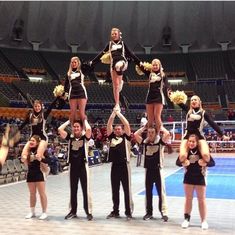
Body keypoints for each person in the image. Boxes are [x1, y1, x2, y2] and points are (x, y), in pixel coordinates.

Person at [89, 27, 141, 111]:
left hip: (122, 62)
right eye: (112, 34)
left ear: (119, 35)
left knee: (118, 66)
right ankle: (117, 104)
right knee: (115, 86)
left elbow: (131, 54)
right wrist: (93, 61)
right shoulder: (109, 44)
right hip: (112, 65)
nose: (113, 35)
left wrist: (139, 62)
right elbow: (101, 54)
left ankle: (121, 82)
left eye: (115, 34)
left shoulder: (123, 44)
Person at [176, 134, 215, 229]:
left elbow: (212, 163)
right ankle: (186, 219)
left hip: (200, 177)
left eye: (193, 141)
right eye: (189, 141)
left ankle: (203, 221)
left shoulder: (202, 152)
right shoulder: (185, 152)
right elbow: (177, 162)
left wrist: (205, 163)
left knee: (201, 200)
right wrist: (182, 163)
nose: (191, 143)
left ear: (197, 142)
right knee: (188, 199)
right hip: (188, 178)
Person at [177, 95, 229, 164]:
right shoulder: (188, 110)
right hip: (187, 136)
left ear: (199, 102)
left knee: (206, 156)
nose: (193, 101)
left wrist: (222, 135)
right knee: (182, 156)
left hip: (199, 136)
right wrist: (171, 94)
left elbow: (212, 124)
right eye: (192, 100)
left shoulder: (204, 113)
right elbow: (178, 101)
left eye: (195, 100)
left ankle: (203, 166)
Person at [58, 119, 93, 221]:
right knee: (73, 190)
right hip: (73, 167)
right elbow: (60, 129)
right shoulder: (70, 138)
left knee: (85, 190)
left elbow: (89, 129)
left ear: (81, 128)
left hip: (83, 166)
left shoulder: (84, 137)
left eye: (78, 127)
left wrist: (85, 120)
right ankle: (73, 211)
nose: (76, 128)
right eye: (75, 127)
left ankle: (88, 212)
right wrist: (69, 121)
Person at [134, 125, 170, 222]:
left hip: (158, 170)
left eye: (152, 132)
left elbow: (167, 134)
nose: (150, 134)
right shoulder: (145, 143)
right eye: (149, 132)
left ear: (156, 133)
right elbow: (135, 134)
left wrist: (160, 127)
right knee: (148, 193)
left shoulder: (160, 142)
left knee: (161, 193)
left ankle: (164, 212)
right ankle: (149, 212)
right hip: (148, 171)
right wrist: (144, 128)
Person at [106, 109, 133, 220]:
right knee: (115, 190)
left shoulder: (126, 137)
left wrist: (119, 113)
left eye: (119, 129)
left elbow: (126, 124)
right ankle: (115, 211)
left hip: (125, 166)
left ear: (122, 130)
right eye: (115, 129)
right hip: (114, 167)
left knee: (127, 190)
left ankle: (128, 212)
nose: (117, 130)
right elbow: (109, 125)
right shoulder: (111, 137)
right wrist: (113, 114)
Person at [19, 98, 60, 164]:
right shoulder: (30, 115)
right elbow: (23, 125)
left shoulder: (44, 114)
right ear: (33, 107)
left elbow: (51, 107)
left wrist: (57, 98)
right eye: (35, 106)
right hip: (33, 137)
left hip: (42, 137)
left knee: (38, 156)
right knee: (23, 156)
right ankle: (30, 168)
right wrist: (15, 132)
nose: (37, 108)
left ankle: (46, 166)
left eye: (38, 106)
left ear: (41, 107)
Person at [137, 59, 171, 131]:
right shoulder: (149, 73)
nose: (155, 66)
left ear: (159, 66)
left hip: (159, 96)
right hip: (150, 96)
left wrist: (169, 91)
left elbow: (167, 85)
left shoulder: (163, 75)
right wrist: (136, 60)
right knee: (150, 118)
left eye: (156, 65)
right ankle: (150, 135)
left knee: (157, 116)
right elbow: (141, 66)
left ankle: (158, 134)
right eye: (153, 65)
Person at [21, 135, 50, 220]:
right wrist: (22, 159)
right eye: (30, 140)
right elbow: (22, 159)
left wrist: (40, 159)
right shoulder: (27, 151)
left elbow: (49, 160)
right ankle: (32, 211)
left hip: (39, 173)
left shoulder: (42, 150)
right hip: (30, 173)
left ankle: (44, 212)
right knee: (32, 194)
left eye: (33, 141)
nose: (31, 142)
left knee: (42, 193)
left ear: (37, 143)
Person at [64, 56, 88, 125]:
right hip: (72, 93)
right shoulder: (68, 73)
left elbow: (88, 66)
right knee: (72, 113)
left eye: (75, 62)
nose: (73, 64)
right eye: (72, 62)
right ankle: (72, 129)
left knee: (81, 113)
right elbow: (66, 85)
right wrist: (65, 93)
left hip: (82, 93)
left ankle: (84, 129)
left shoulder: (82, 70)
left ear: (78, 63)